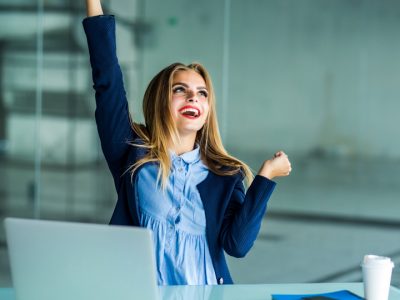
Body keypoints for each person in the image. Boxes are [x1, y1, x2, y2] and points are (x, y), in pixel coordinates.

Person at [83, 0, 292, 286]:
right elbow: (106, 79)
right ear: (160, 101)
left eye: (202, 93)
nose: (194, 98)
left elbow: (237, 246)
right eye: (180, 90)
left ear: (207, 111)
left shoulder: (225, 175)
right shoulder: (132, 154)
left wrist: (265, 177)